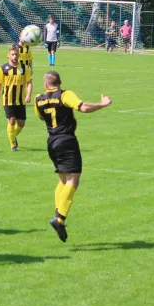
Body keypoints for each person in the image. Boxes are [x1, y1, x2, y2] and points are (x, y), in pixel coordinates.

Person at [34, 71, 112, 242]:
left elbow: (41, 117)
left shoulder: (38, 99)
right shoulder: (65, 95)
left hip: (52, 142)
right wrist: (102, 104)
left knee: (63, 180)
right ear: (59, 83)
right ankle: (59, 218)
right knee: (73, 180)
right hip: (67, 140)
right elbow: (83, 107)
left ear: (46, 85)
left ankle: (58, 214)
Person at [0, 47, 33, 152]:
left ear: (19, 55)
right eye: (12, 54)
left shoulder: (24, 68)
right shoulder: (3, 68)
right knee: (11, 121)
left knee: (21, 123)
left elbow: (29, 82)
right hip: (8, 100)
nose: (15, 56)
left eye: (16, 54)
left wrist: (28, 95)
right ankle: (13, 145)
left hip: (20, 100)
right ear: (8, 55)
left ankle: (12, 136)